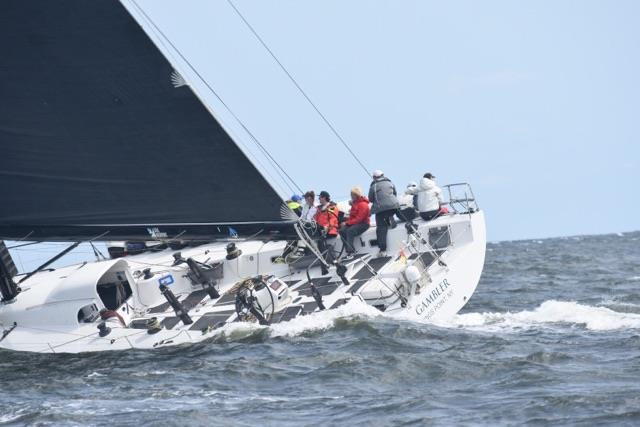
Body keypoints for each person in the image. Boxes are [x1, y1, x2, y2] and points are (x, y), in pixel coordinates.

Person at [368, 170, 400, 257]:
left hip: (380, 209)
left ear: (374, 177)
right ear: (383, 175)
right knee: (393, 213)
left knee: (381, 228)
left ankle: (383, 250)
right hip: (394, 205)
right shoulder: (390, 183)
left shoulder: (373, 186)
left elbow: (370, 199)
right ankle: (391, 219)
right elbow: (395, 193)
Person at [339, 186, 370, 259]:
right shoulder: (355, 204)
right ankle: (348, 250)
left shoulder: (363, 205)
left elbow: (359, 218)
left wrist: (347, 223)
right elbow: (352, 216)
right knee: (342, 231)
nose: (351, 196)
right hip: (355, 223)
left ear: (356, 195)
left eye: (352, 195)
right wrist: (346, 222)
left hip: (363, 224)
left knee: (350, 231)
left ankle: (351, 251)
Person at [314, 191, 340, 272]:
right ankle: (325, 264)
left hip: (330, 230)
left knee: (321, 242)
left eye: (320, 197)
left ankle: (326, 265)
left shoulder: (332, 207)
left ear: (324, 197)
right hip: (320, 231)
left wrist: (327, 227)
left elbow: (333, 218)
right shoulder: (318, 209)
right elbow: (315, 219)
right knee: (319, 242)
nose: (319, 199)